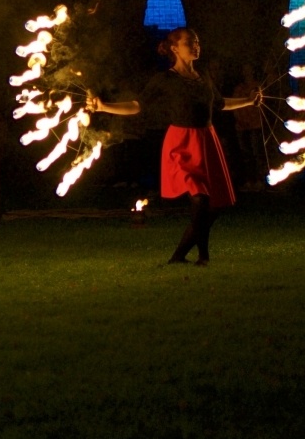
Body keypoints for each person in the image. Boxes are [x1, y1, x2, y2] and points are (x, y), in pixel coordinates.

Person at [86, 28, 258, 265]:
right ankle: (202, 255)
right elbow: (138, 105)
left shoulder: (203, 76)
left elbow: (219, 104)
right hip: (182, 143)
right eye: (190, 42)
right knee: (199, 198)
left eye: (197, 41)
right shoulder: (165, 79)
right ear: (175, 48)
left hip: (207, 140)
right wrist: (104, 107)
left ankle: (182, 256)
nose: (196, 45)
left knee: (215, 205)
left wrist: (248, 101)